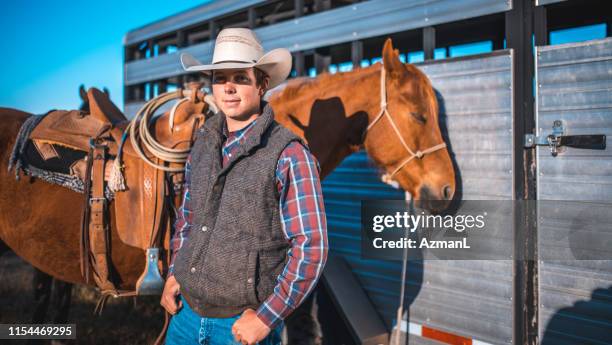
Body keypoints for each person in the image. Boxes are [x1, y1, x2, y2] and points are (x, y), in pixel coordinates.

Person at [160, 27, 328, 345]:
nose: (229, 88)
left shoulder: (289, 153)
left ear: (262, 83)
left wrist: (266, 319)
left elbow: (312, 246)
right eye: (221, 78)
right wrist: (174, 272)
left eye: (241, 78)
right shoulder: (203, 144)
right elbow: (188, 218)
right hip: (185, 316)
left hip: (241, 327)